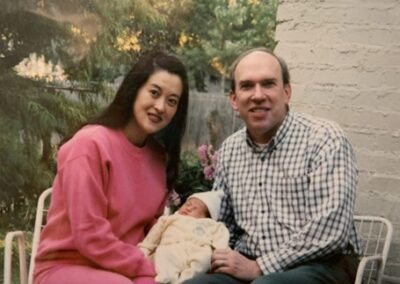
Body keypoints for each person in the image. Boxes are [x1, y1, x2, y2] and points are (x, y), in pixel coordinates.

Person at [182, 47, 362, 284]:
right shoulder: (231, 150)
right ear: (234, 100)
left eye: (268, 84)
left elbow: (331, 232)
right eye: (247, 86)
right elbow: (224, 222)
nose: (257, 95)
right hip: (248, 261)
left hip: (324, 264)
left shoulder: (324, 138)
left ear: (286, 92)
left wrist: (261, 267)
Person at [33, 51, 189, 284]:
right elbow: (90, 234)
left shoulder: (158, 159)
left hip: (126, 270)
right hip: (66, 267)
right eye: (154, 93)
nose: (160, 106)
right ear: (135, 89)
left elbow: (154, 234)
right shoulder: (90, 145)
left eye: (172, 101)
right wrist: (145, 268)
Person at [138, 190, 230, 284]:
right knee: (163, 252)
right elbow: (153, 237)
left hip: (197, 249)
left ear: (206, 216)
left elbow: (222, 242)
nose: (189, 208)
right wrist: (144, 249)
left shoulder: (213, 225)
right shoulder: (169, 219)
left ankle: (185, 280)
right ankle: (165, 278)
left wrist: (221, 253)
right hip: (172, 247)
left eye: (195, 208)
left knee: (205, 258)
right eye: (187, 204)